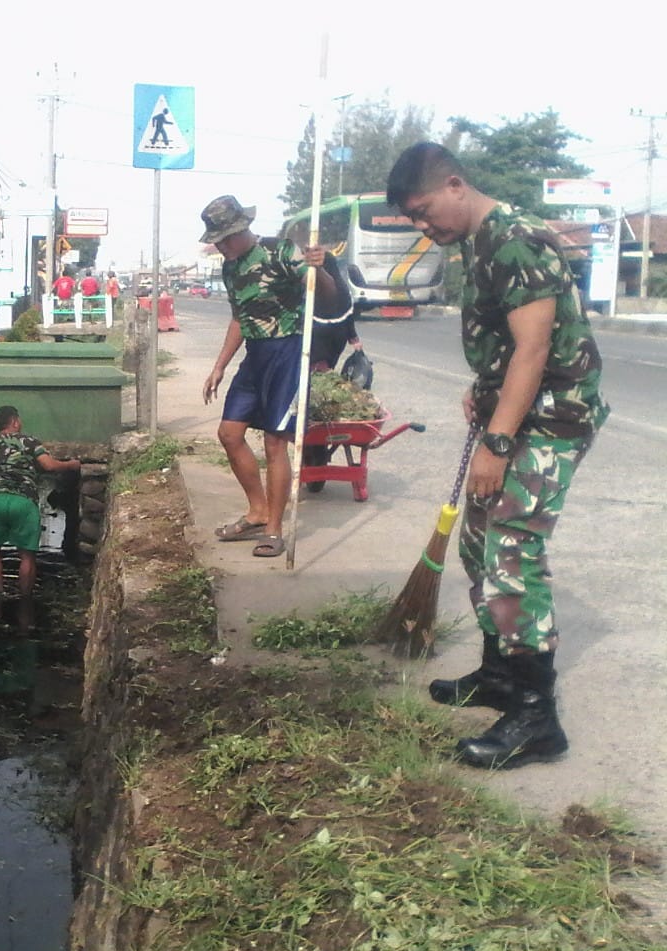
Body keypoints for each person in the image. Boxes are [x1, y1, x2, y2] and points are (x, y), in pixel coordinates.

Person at [386, 142, 608, 770]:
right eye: (415, 219)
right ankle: (499, 676)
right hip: (514, 409)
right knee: (478, 544)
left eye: (427, 212)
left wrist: (498, 440)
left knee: (512, 552)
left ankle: (539, 719)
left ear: (456, 184)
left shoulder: (516, 237)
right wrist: (483, 385)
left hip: (550, 421)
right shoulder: (477, 241)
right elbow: (506, 344)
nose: (425, 228)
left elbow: (535, 348)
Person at [199, 195, 338, 558]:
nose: (219, 246)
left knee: (275, 442)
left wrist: (319, 269)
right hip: (255, 355)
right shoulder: (230, 268)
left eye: (222, 239)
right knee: (229, 434)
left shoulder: (281, 253)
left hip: (288, 351)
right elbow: (238, 319)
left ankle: (274, 529)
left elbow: (327, 296)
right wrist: (219, 366)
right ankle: (257, 511)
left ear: (239, 231)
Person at [0, 405, 82, 596]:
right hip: (24, 502)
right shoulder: (30, 442)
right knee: (27, 555)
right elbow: (48, 466)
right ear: (15, 421)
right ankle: (24, 599)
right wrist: (71, 465)